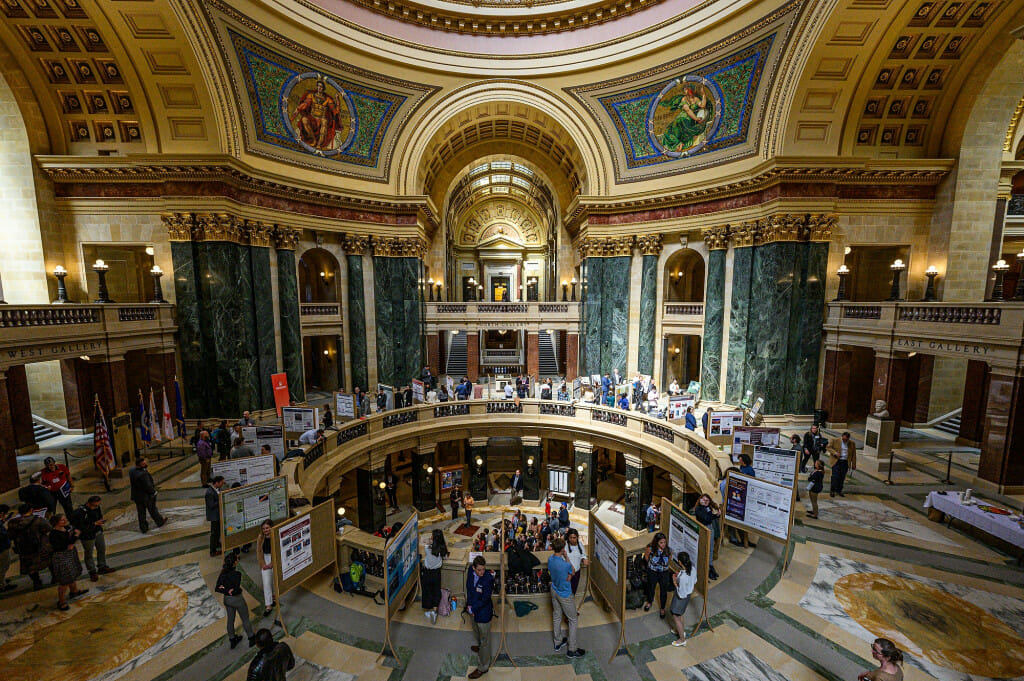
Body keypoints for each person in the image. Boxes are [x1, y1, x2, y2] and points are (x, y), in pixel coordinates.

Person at [548, 537, 585, 658]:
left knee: (557, 615)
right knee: (573, 619)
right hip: (564, 593)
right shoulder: (564, 565)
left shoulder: (550, 559)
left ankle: (557, 641)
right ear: (563, 549)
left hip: (554, 590)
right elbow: (573, 572)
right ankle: (572, 649)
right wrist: (567, 557)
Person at [216, 552, 255, 649]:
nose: (238, 559)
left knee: (230, 620)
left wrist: (225, 589)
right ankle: (251, 638)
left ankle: (232, 639)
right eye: (237, 559)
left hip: (227, 600)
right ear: (234, 563)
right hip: (237, 600)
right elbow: (235, 589)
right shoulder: (237, 574)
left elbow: (217, 588)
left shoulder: (223, 573)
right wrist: (231, 590)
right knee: (245, 619)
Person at [48, 514, 87, 609]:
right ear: (56, 523)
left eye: (65, 518)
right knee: (65, 579)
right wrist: (74, 537)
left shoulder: (67, 528)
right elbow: (63, 546)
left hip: (70, 554)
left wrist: (74, 537)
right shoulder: (54, 534)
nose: (65, 520)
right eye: (62, 520)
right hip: (61, 557)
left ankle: (74, 591)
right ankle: (61, 601)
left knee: (72, 573)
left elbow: (71, 541)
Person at [71, 495, 114, 581]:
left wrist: (100, 522)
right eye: (94, 505)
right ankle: (92, 571)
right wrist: (94, 524)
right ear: (88, 503)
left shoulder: (97, 507)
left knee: (101, 549)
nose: (96, 507)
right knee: (89, 553)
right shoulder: (80, 512)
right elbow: (80, 526)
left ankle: (102, 566)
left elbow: (99, 516)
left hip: (98, 532)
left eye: (98, 505)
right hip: (87, 535)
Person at [9, 503, 50, 590]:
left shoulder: (12, 523)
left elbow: (10, 536)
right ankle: (55, 577)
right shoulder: (38, 520)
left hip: (23, 548)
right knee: (47, 560)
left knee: (30, 566)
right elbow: (48, 528)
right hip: (40, 546)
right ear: (31, 510)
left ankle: (36, 581)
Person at [466, 555, 494, 678]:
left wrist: (473, 608)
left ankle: (483, 667)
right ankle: (480, 649)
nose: (482, 572)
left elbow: (485, 599)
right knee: (477, 632)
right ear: (474, 568)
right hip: (472, 610)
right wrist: (469, 606)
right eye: (479, 570)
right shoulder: (470, 572)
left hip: (483, 613)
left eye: (483, 569)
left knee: (485, 640)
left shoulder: (488, 579)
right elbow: (469, 589)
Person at [130, 457, 165, 533]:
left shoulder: (131, 471)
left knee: (141, 513)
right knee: (152, 510)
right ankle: (160, 522)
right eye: (143, 464)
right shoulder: (143, 474)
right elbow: (148, 486)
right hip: (146, 496)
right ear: (140, 465)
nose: (146, 464)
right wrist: (153, 492)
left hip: (137, 496)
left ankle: (143, 527)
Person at [670, 552, 697, 646]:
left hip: (681, 598)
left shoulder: (683, 578)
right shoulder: (693, 569)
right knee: (680, 614)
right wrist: (680, 574)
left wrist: (675, 582)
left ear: (680, 562)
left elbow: (681, 593)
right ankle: (680, 630)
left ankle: (682, 639)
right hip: (688, 595)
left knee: (676, 616)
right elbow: (694, 580)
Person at [643, 532, 673, 618]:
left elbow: (669, 559)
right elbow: (646, 557)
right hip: (653, 572)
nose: (663, 544)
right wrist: (652, 566)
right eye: (661, 542)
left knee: (663, 590)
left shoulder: (668, 550)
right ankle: (649, 602)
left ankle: (662, 608)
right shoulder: (650, 548)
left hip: (664, 573)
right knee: (651, 587)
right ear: (656, 542)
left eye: (664, 542)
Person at [692, 494, 720, 580]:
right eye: (704, 500)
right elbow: (706, 518)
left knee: (711, 548)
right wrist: (707, 508)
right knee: (704, 549)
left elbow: (710, 518)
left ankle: (710, 566)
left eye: (707, 500)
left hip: (710, 528)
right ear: (700, 500)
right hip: (703, 530)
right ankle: (705, 568)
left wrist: (716, 515)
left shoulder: (707, 508)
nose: (705, 502)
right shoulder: (698, 509)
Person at [255, 520, 276, 616]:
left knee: (275, 581)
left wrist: (272, 563)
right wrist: (262, 564)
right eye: (263, 528)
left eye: (267, 528)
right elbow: (259, 551)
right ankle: (268, 605)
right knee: (266, 582)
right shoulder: (260, 537)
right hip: (265, 559)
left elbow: (278, 551)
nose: (265, 530)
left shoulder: (275, 536)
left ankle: (274, 597)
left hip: (274, 560)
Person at [828, 431, 857, 498]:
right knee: (835, 476)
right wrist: (835, 453)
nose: (845, 440)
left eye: (846, 439)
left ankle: (839, 490)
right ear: (842, 437)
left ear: (848, 438)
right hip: (836, 461)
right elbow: (828, 447)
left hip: (845, 462)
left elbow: (854, 454)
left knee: (842, 477)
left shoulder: (852, 443)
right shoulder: (835, 440)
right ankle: (832, 490)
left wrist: (854, 464)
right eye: (843, 439)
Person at [206, 475, 226, 556]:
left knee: (218, 532)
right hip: (214, 516)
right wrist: (221, 500)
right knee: (214, 533)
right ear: (217, 483)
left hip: (218, 515)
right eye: (222, 482)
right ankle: (212, 551)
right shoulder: (209, 493)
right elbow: (211, 505)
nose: (223, 484)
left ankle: (217, 543)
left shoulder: (217, 489)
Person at [564, 528, 587, 594]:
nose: (572, 539)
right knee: (567, 591)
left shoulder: (580, 545)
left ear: (577, 537)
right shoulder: (565, 546)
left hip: (577, 572)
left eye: (574, 537)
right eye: (570, 537)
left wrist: (584, 559)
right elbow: (563, 559)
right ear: (568, 537)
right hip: (567, 573)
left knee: (574, 590)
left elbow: (583, 555)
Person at [0, 504, 14, 591]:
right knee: (3, 566)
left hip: (2, 547)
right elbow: (3, 535)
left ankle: (2, 580)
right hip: (1, 548)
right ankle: (2, 585)